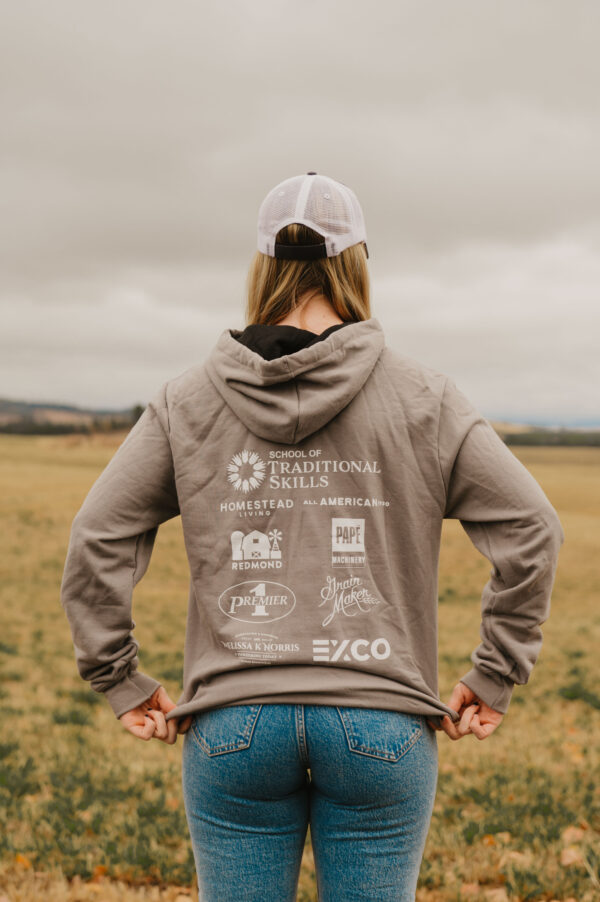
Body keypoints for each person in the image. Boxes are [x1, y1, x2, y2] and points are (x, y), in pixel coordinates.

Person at [60, 171, 565, 901]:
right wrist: (494, 672)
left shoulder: (187, 399)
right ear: (357, 263)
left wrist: (120, 677)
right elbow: (533, 527)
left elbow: (98, 534)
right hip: (380, 723)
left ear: (264, 268)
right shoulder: (426, 397)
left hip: (235, 723)